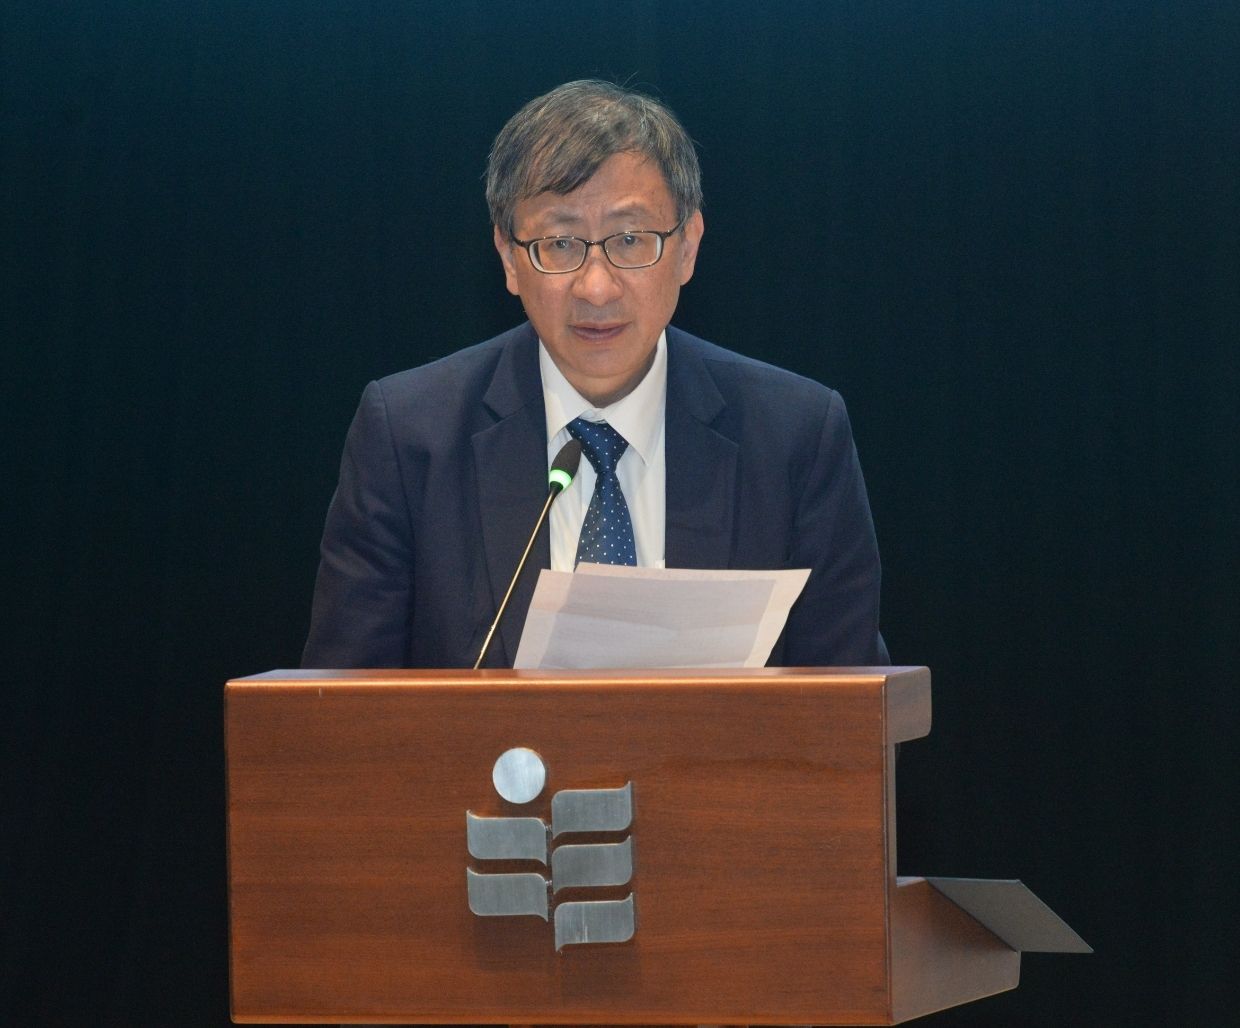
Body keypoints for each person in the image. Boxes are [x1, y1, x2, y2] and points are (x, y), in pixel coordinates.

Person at [302, 79, 888, 670]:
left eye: (630, 240)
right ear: (509, 258)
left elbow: (853, 701)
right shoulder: (409, 437)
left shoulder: (794, 437)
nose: (597, 288)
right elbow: (341, 708)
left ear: (688, 246)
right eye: (559, 243)